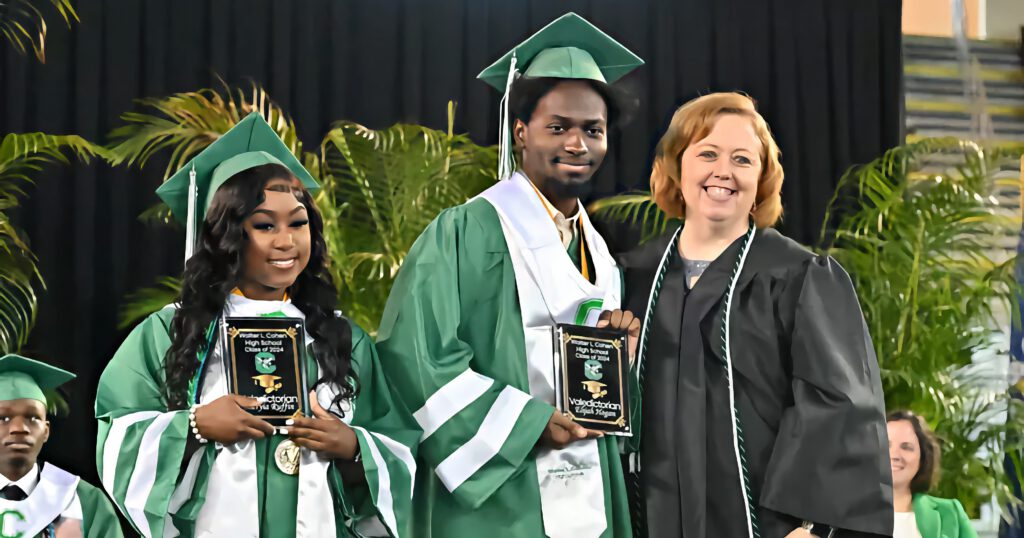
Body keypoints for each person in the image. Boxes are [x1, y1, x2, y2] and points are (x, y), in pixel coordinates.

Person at [374, 12, 643, 538]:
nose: (577, 144)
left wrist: (620, 356)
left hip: (587, 476)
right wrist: (527, 424)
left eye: (593, 130)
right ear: (520, 132)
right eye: (558, 127)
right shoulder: (467, 231)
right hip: (497, 489)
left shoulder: (602, 255)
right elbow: (415, 357)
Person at [94, 112, 418, 538]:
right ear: (225, 236)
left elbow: (399, 444)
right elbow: (117, 435)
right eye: (265, 225)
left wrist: (354, 447)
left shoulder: (340, 337)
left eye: (298, 223)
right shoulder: (169, 331)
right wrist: (194, 426)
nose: (286, 241)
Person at [616, 92, 893, 537]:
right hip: (652, 513)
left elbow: (840, 407)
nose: (723, 171)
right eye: (707, 153)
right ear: (676, 166)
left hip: (769, 525)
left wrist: (813, 525)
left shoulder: (799, 276)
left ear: (762, 178)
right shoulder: (633, 276)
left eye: (742, 160)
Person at [0, 354, 122, 538]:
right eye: (3, 418)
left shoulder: (85, 500)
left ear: (46, 431)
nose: (19, 428)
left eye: (33, 418)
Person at [888, 410, 976, 538]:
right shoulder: (850, 514)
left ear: (923, 458)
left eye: (906, 447)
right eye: (886, 445)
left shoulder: (950, 513)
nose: (894, 455)